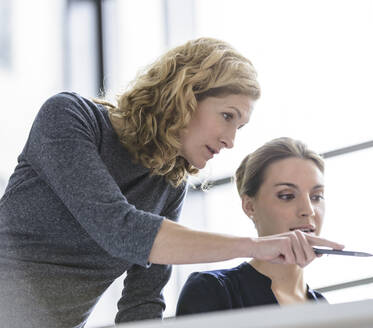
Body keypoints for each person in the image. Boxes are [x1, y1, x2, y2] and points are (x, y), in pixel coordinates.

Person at [0, 38, 343, 328]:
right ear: (185, 94)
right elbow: (119, 228)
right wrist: (257, 246)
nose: (230, 141)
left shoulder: (168, 185)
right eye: (227, 116)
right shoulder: (70, 117)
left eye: (239, 127)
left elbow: (142, 301)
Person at [176, 137, 331, 315]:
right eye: (287, 196)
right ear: (250, 207)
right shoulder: (213, 291)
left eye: (316, 196)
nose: (308, 210)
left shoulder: (323, 308)